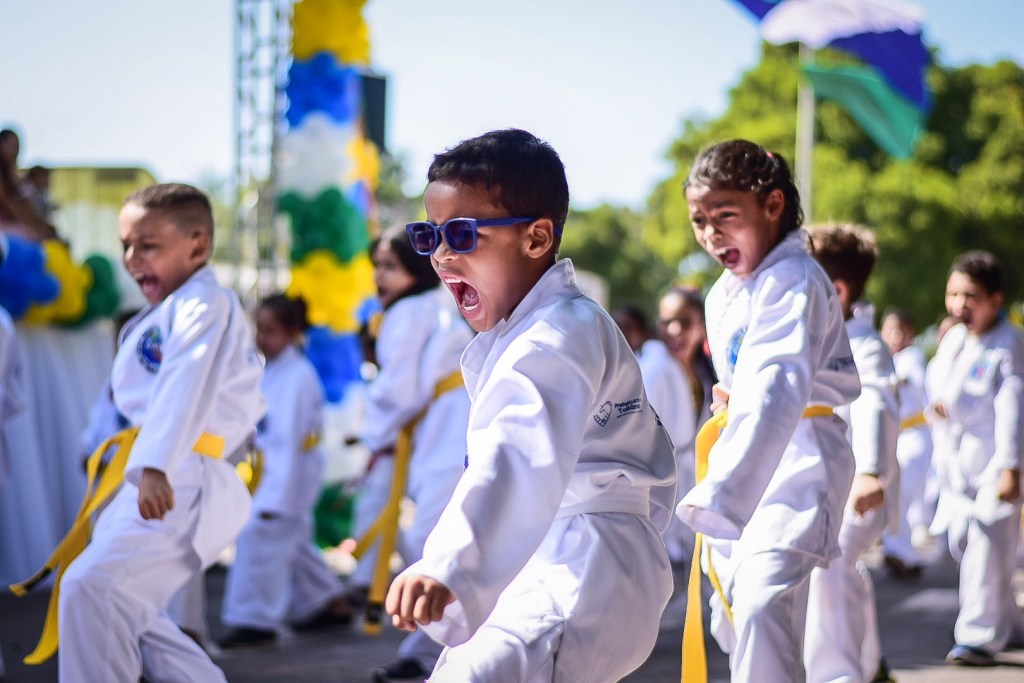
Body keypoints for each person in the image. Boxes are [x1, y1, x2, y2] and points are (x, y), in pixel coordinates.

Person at [385, 128, 676, 681]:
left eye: (462, 234)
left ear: (537, 238)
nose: (441, 254)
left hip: (583, 563)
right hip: (572, 554)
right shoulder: (538, 330)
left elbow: (516, 453)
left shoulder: (555, 335)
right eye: (429, 235)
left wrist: (451, 564)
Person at [49, 183, 265, 681]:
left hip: (183, 475)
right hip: (163, 470)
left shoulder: (205, 301)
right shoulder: (172, 307)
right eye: (126, 245)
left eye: (147, 246)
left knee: (91, 589)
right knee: (131, 616)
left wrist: (153, 464)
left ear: (198, 246)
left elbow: (184, 379)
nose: (131, 259)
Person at [674, 139, 860, 682]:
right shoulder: (724, 293)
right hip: (746, 451)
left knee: (762, 600)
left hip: (800, 459)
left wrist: (723, 492)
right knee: (736, 611)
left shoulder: (796, 278)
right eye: (699, 221)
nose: (711, 235)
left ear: (773, 205)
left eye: (726, 217)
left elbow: (778, 384)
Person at [350, 226, 473, 682]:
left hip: (447, 425)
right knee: (441, 533)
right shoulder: (435, 302)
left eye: (391, 266)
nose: (380, 276)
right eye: (377, 266)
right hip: (450, 418)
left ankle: (437, 651)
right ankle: (430, 650)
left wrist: (375, 441)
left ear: (415, 270)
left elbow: (397, 391)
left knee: (434, 535)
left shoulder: (405, 312)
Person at [219, 293, 351, 647]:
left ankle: (255, 620)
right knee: (292, 539)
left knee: (261, 537)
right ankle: (325, 601)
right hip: (275, 472)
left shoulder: (297, 377)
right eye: (259, 329)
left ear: (293, 332)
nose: (262, 338)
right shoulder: (273, 370)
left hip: (287, 476)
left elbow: (287, 441)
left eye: (271, 331)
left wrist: (273, 499)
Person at [805, 223, 900, 683]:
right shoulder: (822, 339)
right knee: (838, 567)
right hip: (826, 485)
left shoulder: (865, 345)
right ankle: (870, 662)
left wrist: (871, 471)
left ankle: (840, 674)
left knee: (831, 561)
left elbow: (875, 404)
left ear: (837, 291)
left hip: (858, 485)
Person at [927, 250, 1024, 666]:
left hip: (994, 465)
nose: (959, 305)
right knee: (965, 544)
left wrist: (1011, 467)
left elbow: (1013, 407)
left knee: (986, 546)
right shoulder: (954, 339)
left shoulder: (1009, 343)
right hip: (957, 467)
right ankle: (1011, 624)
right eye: (953, 294)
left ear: (995, 301)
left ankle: (978, 637)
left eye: (971, 296)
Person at [880, 307, 934, 579]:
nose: (894, 337)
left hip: (913, 436)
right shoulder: (889, 358)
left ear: (910, 333)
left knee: (900, 496)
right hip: (902, 438)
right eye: (888, 331)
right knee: (900, 498)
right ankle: (902, 552)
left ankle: (900, 552)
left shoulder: (911, 357)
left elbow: (907, 380)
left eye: (899, 331)